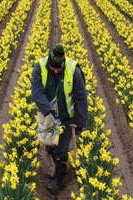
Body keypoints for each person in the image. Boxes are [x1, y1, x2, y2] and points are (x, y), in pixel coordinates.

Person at [31, 43, 88, 192]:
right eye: (53, 68)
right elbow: (37, 92)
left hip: (66, 117)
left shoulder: (74, 71)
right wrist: (49, 111)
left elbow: (81, 97)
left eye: (58, 68)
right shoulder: (40, 67)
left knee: (61, 149)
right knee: (49, 144)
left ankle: (59, 176)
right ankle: (58, 166)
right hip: (48, 115)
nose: (56, 70)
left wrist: (80, 122)